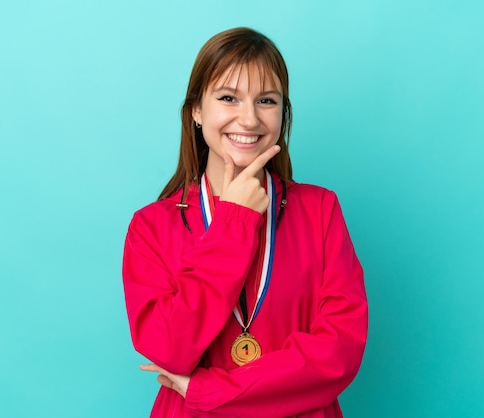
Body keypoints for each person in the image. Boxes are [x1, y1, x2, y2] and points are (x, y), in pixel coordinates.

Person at [122, 27, 368, 417]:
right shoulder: (151, 227)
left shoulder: (320, 209)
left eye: (266, 100)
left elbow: (337, 354)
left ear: (282, 113)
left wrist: (210, 389)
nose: (249, 118)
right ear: (197, 111)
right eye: (228, 98)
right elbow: (169, 346)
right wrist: (235, 220)